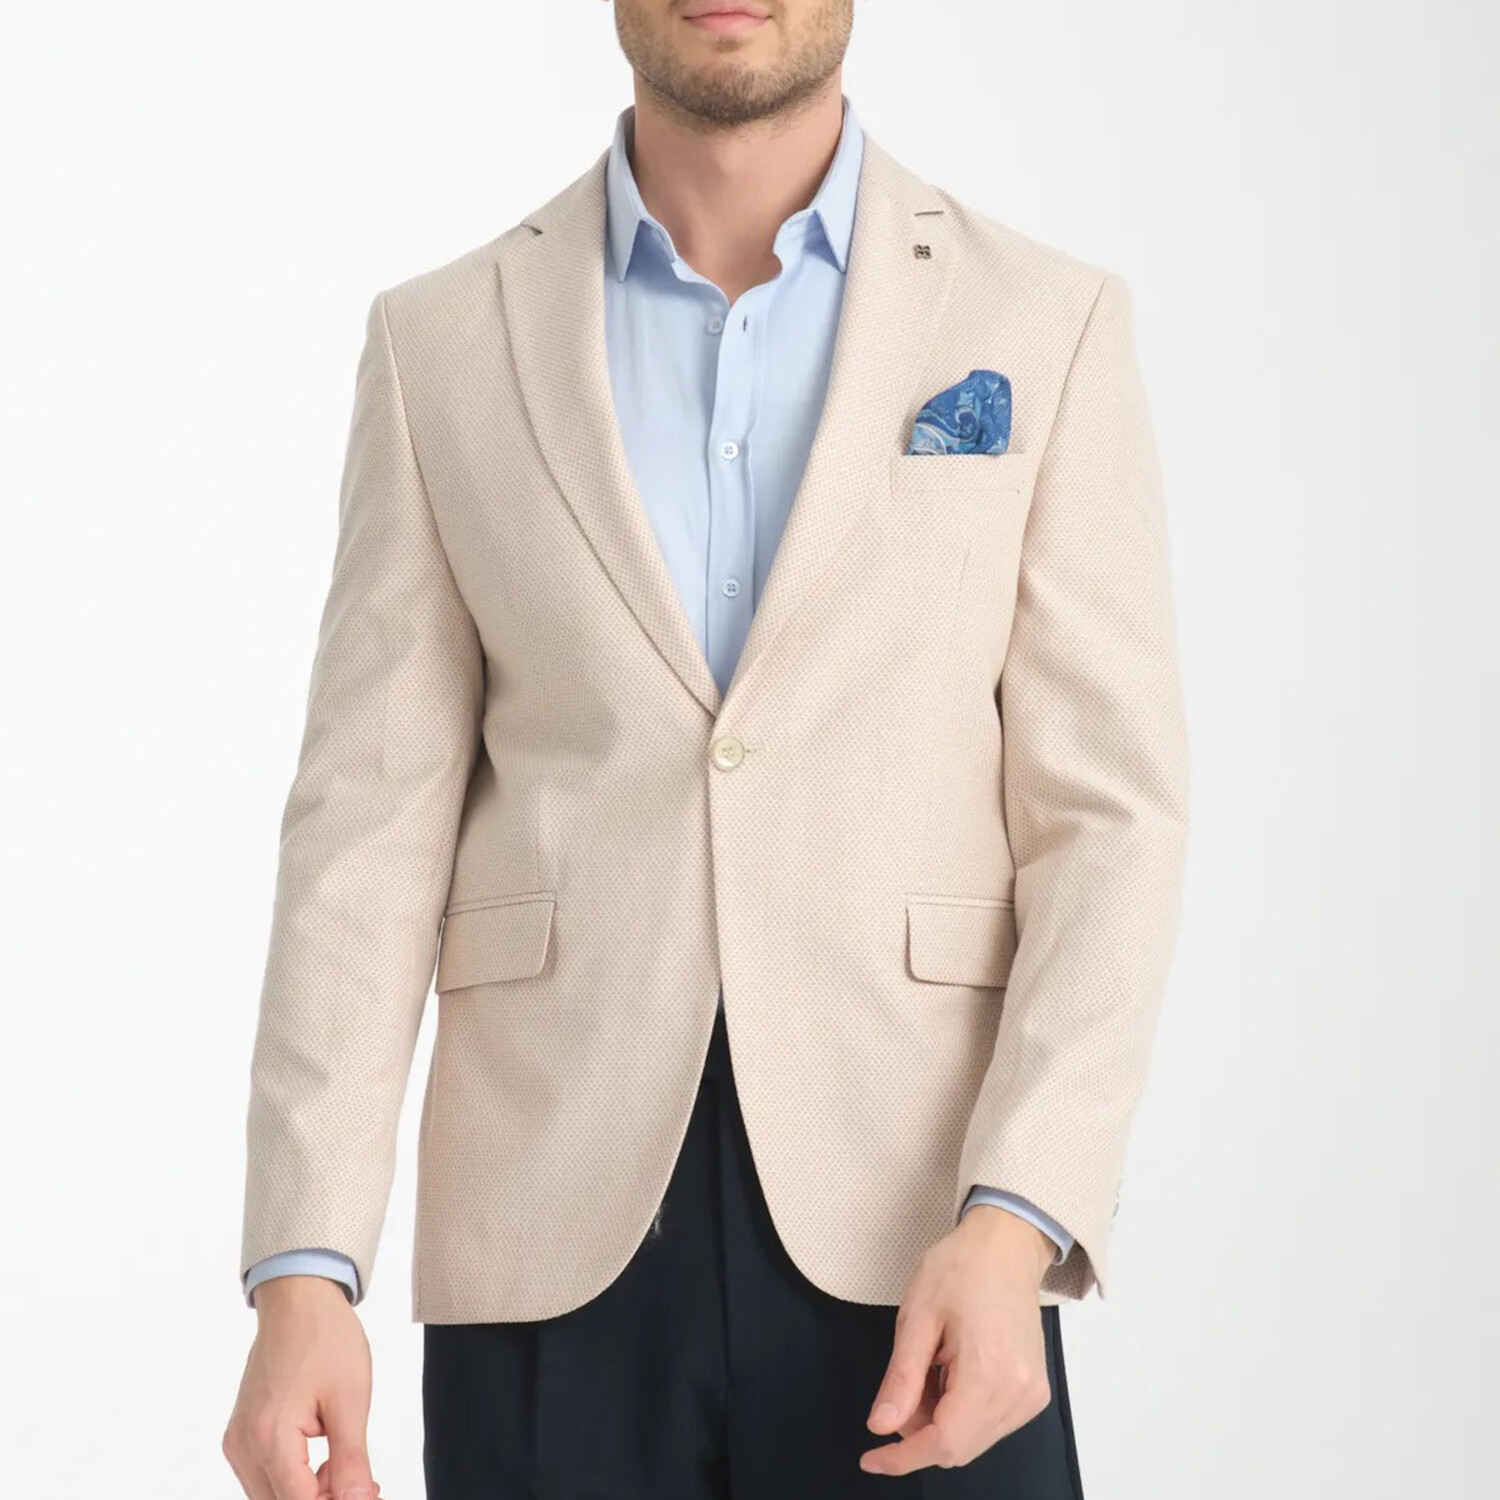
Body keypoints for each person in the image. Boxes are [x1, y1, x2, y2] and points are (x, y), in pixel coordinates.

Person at [223, 2, 1190, 1496]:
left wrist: (1023, 1214)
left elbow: (1110, 820)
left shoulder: (1041, 321)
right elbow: (365, 828)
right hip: (548, 1235)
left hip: (929, 1241)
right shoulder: (441, 342)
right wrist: (304, 1267)